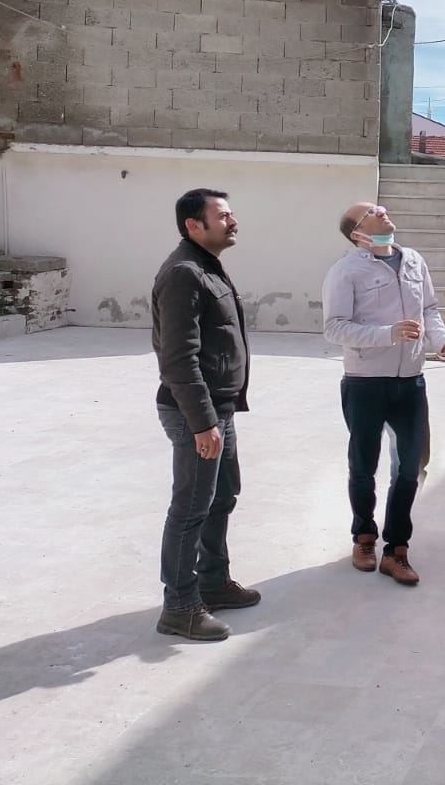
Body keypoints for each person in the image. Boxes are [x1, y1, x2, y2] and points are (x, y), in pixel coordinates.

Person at [322, 202, 445, 586]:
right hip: (365, 381)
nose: (382, 211)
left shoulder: (413, 260)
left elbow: (429, 308)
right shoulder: (346, 270)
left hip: (410, 380)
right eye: (371, 212)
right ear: (357, 233)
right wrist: (388, 334)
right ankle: (364, 537)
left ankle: (397, 550)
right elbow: (334, 327)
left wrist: (441, 339)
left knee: (410, 466)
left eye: (380, 208)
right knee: (363, 466)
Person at [152, 187, 259, 642]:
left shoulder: (207, 265)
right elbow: (178, 357)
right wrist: (202, 422)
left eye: (232, 215)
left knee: (221, 496)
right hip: (195, 412)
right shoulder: (184, 273)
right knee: (192, 507)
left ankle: (213, 583)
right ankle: (179, 607)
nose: (233, 222)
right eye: (224, 216)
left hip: (219, 408)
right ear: (193, 225)